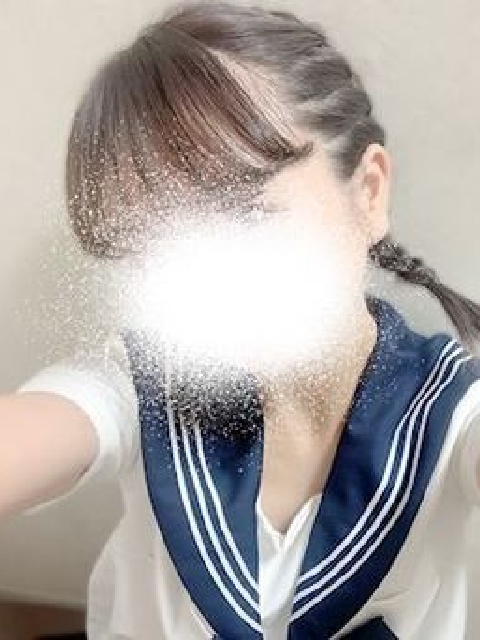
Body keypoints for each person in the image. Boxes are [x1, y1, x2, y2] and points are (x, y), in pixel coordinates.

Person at [1, 3, 480, 638]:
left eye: (245, 211)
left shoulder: (453, 415)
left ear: (368, 192)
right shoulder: (144, 384)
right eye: (155, 238)